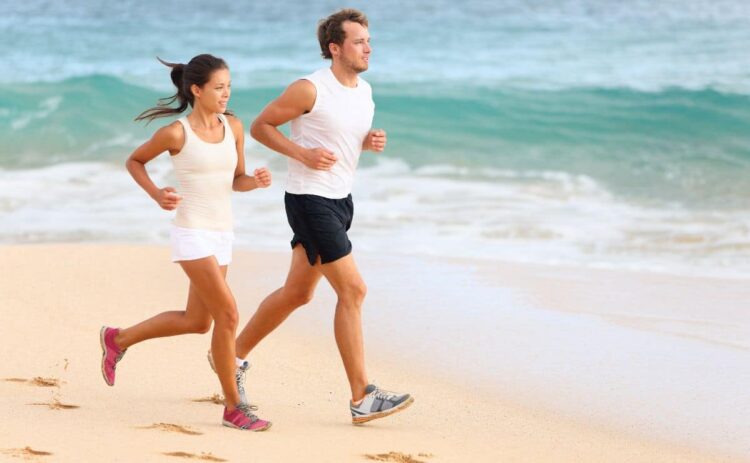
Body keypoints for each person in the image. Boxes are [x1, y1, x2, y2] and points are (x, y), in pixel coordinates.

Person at [211, 8, 414, 424]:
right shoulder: (309, 88)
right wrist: (301, 154)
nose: (368, 47)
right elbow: (262, 126)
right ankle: (362, 396)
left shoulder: (364, 91)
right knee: (353, 291)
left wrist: (369, 141)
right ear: (335, 48)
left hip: (340, 200)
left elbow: (342, 136)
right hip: (309, 200)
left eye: (368, 41)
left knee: (298, 293)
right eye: (359, 41)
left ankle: (230, 357)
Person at [99, 54, 272, 432]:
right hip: (192, 232)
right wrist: (157, 194)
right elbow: (135, 161)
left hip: (222, 233)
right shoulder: (177, 133)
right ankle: (233, 407)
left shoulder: (235, 127)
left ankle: (117, 338)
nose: (226, 94)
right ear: (196, 90)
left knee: (197, 321)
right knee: (228, 315)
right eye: (219, 87)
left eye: (229, 86)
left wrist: (255, 181)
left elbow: (236, 179)